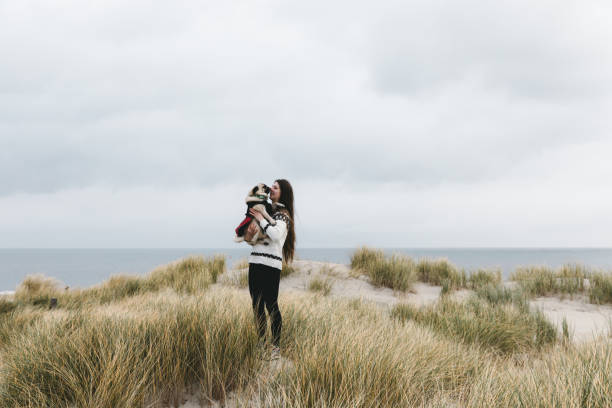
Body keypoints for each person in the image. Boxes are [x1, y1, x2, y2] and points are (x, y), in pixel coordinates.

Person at [246, 179, 295, 360]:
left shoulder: (283, 215)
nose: (271, 189)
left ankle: (275, 348)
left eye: (275, 187)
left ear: (284, 193)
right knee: (256, 305)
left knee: (271, 306)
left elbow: (274, 235)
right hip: (255, 262)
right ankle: (261, 344)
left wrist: (260, 219)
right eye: (272, 187)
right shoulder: (264, 209)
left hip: (271, 266)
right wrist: (250, 234)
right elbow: (252, 241)